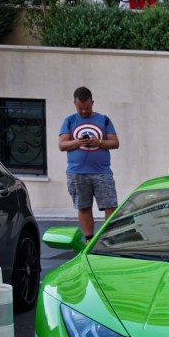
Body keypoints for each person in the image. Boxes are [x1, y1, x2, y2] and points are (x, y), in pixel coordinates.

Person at [59, 87, 119, 239]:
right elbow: (62, 145)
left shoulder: (103, 119)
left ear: (92, 103)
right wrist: (78, 142)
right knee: (83, 206)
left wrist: (98, 142)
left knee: (110, 205)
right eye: (80, 108)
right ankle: (89, 240)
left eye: (87, 108)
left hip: (102, 171)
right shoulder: (69, 121)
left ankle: (109, 238)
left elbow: (115, 142)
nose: (84, 112)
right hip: (77, 172)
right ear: (74, 103)